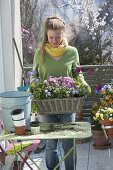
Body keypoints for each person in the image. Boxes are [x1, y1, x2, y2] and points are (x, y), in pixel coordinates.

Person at [32, 16, 91, 170]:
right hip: (46, 105)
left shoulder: (72, 52)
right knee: (51, 144)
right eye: (51, 37)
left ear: (63, 34)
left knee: (68, 143)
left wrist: (83, 83)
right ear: (46, 35)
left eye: (58, 37)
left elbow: (78, 74)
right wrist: (33, 84)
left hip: (67, 104)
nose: (54, 40)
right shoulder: (40, 53)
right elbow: (34, 74)